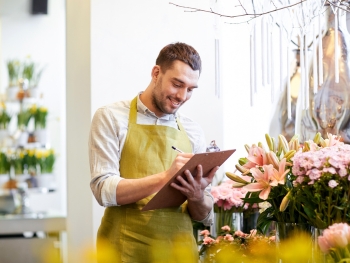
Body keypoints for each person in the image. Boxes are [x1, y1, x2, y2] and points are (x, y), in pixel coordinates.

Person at [89, 42, 218, 263]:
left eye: (190, 89)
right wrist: (165, 177)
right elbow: (103, 190)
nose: (182, 96)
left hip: (178, 253)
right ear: (156, 73)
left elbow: (204, 217)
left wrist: (196, 195)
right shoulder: (111, 117)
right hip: (123, 251)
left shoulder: (193, 131)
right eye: (177, 84)